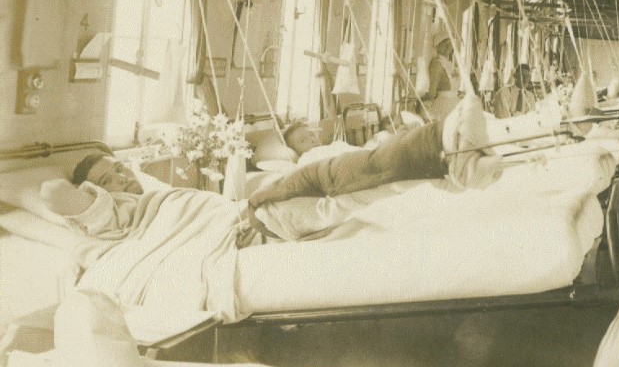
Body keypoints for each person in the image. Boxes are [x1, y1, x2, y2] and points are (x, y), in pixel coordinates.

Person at [42, 96, 505, 240]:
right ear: (95, 195)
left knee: (340, 172)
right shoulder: (115, 220)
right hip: (255, 225)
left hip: (247, 209)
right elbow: (48, 194)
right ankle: (445, 151)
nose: (123, 178)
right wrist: (93, 196)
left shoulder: (154, 194)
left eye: (119, 170)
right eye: (109, 181)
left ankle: (446, 155)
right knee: (347, 192)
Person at [423, 30, 460, 121]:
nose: (448, 47)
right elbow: (432, 91)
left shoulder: (450, 63)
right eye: (444, 44)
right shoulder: (437, 64)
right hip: (443, 105)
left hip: (454, 103)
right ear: (437, 47)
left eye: (449, 43)